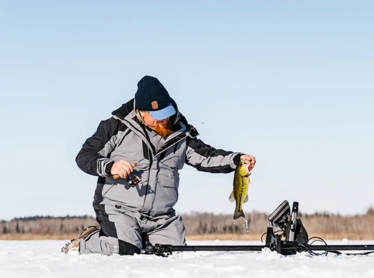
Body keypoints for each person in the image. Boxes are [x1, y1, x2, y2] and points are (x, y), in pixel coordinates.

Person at [62, 76, 256, 255]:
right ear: (141, 111)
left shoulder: (181, 134)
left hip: (161, 217)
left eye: (166, 113)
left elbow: (206, 157)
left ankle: (142, 239)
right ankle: (88, 241)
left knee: (175, 255)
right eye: (157, 115)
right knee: (125, 250)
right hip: (119, 209)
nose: (164, 120)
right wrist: (109, 166)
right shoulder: (115, 127)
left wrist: (236, 159)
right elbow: (84, 156)